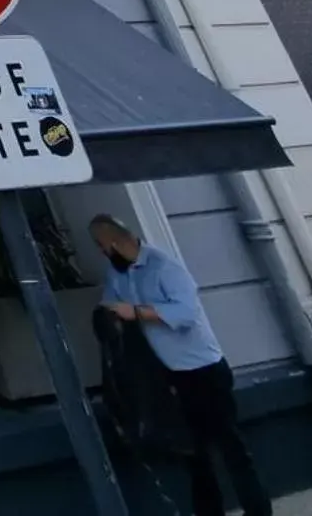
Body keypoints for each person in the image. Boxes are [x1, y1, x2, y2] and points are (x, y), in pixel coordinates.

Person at [90, 214, 272, 516]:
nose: (100, 252)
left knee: (231, 449)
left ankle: (259, 510)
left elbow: (186, 313)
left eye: (100, 245)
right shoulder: (118, 274)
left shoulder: (165, 267)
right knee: (193, 453)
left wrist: (135, 312)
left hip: (203, 371)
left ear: (113, 241)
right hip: (168, 377)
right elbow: (110, 306)